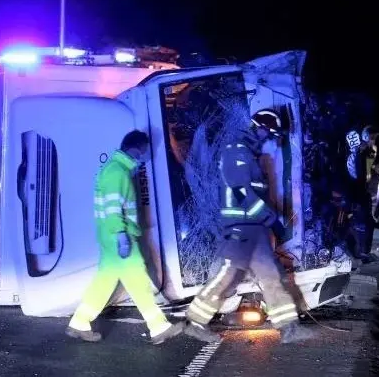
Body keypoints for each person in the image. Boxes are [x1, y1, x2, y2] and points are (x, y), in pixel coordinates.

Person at [182, 109, 314, 344]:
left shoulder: (250, 154)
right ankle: (194, 322)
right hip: (240, 227)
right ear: (259, 128)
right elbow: (241, 191)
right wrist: (270, 219)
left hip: (253, 228)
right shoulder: (237, 151)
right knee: (228, 275)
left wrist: (268, 219)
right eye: (269, 134)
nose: (269, 139)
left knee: (272, 275)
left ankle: (289, 328)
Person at [66, 130, 184, 344]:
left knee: (104, 283)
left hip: (111, 237)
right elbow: (113, 209)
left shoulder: (114, 169)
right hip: (121, 237)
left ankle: (79, 322)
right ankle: (158, 327)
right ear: (137, 149)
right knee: (138, 281)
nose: (146, 155)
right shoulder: (117, 172)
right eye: (146, 151)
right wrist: (122, 236)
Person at [341, 125, 379, 263]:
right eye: (372, 138)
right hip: (358, 194)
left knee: (365, 222)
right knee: (363, 223)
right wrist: (359, 196)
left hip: (360, 193)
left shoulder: (364, 152)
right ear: (365, 137)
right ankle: (361, 252)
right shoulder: (360, 153)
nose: (374, 142)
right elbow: (359, 176)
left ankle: (362, 252)